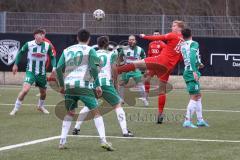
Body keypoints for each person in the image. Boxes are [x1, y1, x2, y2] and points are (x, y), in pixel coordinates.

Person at [117, 20, 185, 124]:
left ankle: (116, 70)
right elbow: (181, 57)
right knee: (162, 91)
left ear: (179, 28)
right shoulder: (184, 41)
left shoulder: (173, 35)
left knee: (137, 63)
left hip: (160, 60)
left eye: (174, 26)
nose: (172, 27)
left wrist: (144, 36)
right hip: (168, 67)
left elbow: (157, 38)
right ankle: (160, 114)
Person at [57, 29, 114, 151]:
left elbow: (58, 68)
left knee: (70, 113)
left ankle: (62, 141)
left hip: (69, 86)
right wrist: (97, 85)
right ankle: (103, 141)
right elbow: (94, 67)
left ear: (77, 38)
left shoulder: (66, 50)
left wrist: (62, 85)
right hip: (84, 85)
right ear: (89, 39)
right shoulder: (90, 50)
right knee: (96, 112)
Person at [72, 36, 133, 137]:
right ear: (107, 44)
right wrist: (115, 83)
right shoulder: (111, 54)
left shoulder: (94, 54)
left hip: (94, 83)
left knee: (88, 105)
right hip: (105, 83)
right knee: (117, 105)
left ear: (98, 44)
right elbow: (114, 69)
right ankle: (125, 131)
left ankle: (76, 127)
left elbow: (91, 69)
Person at [10, 28, 56, 116]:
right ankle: (15, 109)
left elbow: (52, 56)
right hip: (30, 72)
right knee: (25, 90)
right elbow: (20, 53)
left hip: (41, 73)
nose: (41, 36)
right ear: (35, 36)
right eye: (39, 34)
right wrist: (15, 64)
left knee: (43, 93)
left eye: (42, 34)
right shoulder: (29, 44)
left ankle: (40, 106)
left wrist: (54, 67)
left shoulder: (47, 46)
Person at [180, 28, 209, 128]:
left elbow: (189, 57)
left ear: (182, 36)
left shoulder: (182, 45)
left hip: (189, 70)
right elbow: (192, 56)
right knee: (194, 96)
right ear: (191, 34)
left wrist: (199, 64)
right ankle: (187, 121)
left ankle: (200, 120)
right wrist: (194, 71)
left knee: (198, 95)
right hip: (190, 72)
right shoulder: (194, 43)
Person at [118, 35, 148, 106]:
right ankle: (121, 99)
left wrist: (144, 69)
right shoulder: (124, 49)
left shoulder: (140, 49)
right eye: (130, 40)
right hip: (126, 69)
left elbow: (144, 59)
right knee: (121, 83)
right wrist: (120, 64)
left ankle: (144, 99)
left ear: (135, 41)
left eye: (133, 40)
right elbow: (120, 57)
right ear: (128, 41)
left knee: (140, 83)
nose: (131, 41)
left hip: (135, 68)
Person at [144, 30, 166, 99]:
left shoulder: (163, 44)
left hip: (159, 66)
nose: (156, 35)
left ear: (160, 35)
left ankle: (162, 95)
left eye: (157, 34)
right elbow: (149, 55)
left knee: (162, 81)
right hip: (152, 65)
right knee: (147, 80)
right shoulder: (151, 44)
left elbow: (164, 56)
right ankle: (146, 95)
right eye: (154, 34)